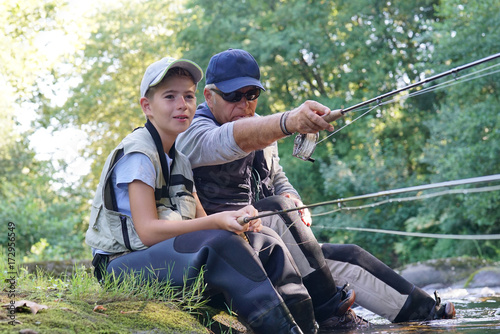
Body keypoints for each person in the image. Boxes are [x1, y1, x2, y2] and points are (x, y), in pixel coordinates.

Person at [176, 48, 456, 326]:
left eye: (252, 95)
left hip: (268, 244)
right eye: (233, 96)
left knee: (350, 256)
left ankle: (428, 316)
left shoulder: (261, 130)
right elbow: (227, 140)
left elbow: (277, 177)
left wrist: (292, 196)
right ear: (209, 96)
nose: (244, 104)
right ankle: (332, 313)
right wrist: (288, 122)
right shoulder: (190, 133)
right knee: (277, 209)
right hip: (220, 251)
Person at [84, 56, 361, 334]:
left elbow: (202, 219)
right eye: (170, 97)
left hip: (159, 258)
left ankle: (308, 327)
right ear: (147, 107)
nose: (182, 105)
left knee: (266, 240)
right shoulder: (139, 154)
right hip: (120, 268)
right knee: (220, 245)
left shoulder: (178, 159)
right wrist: (218, 223)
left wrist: (238, 222)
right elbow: (148, 232)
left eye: (188, 96)